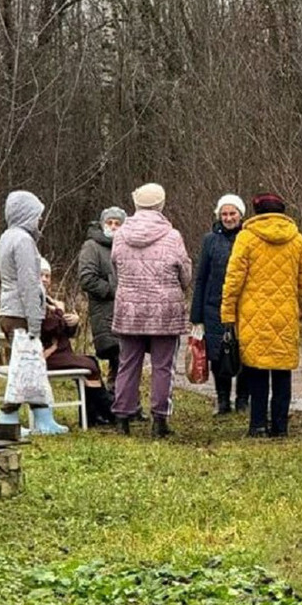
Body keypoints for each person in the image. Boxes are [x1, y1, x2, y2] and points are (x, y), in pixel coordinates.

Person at [220, 192, 302, 437]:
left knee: (257, 370)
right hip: (285, 313)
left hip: (253, 315)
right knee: (282, 372)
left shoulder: (246, 238)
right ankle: (280, 427)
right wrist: (297, 301)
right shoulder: (296, 239)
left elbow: (233, 280)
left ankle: (258, 425)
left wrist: (228, 313)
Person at [111, 183, 192, 438]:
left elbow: (116, 266)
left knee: (128, 364)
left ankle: (122, 417)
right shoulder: (172, 236)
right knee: (163, 366)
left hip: (129, 308)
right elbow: (185, 274)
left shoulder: (121, 234)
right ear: (161, 204)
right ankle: (159, 420)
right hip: (164, 310)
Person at [0, 190, 67, 434]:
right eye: (37, 215)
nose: (39, 221)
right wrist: (36, 321)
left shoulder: (6, 237)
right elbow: (28, 282)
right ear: (26, 214)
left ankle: (43, 416)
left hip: (10, 310)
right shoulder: (23, 241)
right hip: (21, 313)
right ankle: (8, 418)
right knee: (24, 368)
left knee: (31, 367)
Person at [190, 194, 250, 415]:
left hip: (244, 306)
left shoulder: (249, 237)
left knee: (244, 353)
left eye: (232, 213)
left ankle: (243, 399)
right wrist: (196, 314)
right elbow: (201, 277)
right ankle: (223, 400)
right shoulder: (210, 240)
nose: (228, 218)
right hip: (214, 305)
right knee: (218, 354)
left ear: (240, 215)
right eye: (224, 214)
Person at [39, 259, 114, 427]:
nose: (44, 279)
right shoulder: (36, 301)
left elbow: (65, 332)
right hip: (47, 355)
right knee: (91, 366)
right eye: (40, 275)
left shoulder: (49, 301)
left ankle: (92, 416)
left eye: (47, 276)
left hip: (60, 352)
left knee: (91, 361)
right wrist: (60, 311)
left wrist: (74, 322)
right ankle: (109, 411)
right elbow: (48, 328)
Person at [78, 206, 126, 392]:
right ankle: (120, 403)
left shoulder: (126, 246)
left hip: (126, 313)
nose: (113, 227)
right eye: (109, 222)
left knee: (125, 360)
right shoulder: (92, 246)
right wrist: (114, 290)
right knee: (118, 356)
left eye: (117, 223)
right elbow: (87, 278)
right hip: (105, 312)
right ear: (102, 224)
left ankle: (122, 403)